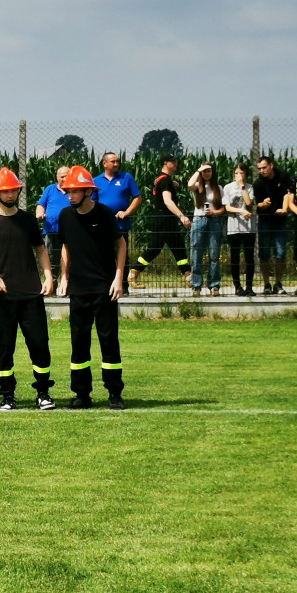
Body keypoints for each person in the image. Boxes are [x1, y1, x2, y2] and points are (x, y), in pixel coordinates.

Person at [0, 167, 55, 412]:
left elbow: (40, 250)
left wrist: (49, 276)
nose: (10, 194)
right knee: (3, 346)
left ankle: (43, 393)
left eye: (13, 190)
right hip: (3, 297)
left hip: (31, 293)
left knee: (39, 344)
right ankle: (7, 395)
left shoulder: (28, 219)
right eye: (5, 191)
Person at [56, 166, 126, 411]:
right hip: (78, 290)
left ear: (87, 191)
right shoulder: (65, 216)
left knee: (108, 340)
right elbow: (64, 247)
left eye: (74, 191)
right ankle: (81, 394)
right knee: (79, 342)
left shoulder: (105, 214)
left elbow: (122, 244)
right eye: (67, 192)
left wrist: (118, 279)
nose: (69, 195)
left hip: (104, 289)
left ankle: (115, 394)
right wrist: (63, 277)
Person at [128, 155, 191, 291]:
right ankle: (133, 273)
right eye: (173, 162)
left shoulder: (162, 180)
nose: (176, 164)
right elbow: (167, 201)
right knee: (156, 250)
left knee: (178, 249)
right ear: (165, 163)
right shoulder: (165, 181)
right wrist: (182, 216)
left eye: (176, 161)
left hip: (165, 221)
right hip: (165, 222)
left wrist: (172, 184)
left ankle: (190, 278)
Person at [92, 153, 141, 294]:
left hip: (121, 224)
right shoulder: (96, 181)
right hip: (103, 226)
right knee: (104, 256)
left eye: (117, 161)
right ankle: (106, 284)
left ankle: (124, 287)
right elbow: (93, 202)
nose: (116, 164)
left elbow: (137, 197)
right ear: (104, 163)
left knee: (122, 255)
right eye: (112, 161)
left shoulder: (126, 177)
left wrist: (127, 212)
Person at [253, 156, 291, 295]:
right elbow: (258, 206)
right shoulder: (258, 183)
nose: (261, 171)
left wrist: (284, 209)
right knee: (264, 254)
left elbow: (288, 195)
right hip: (265, 222)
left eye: (264, 167)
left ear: (271, 166)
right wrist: (263, 205)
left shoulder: (282, 176)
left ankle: (278, 284)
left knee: (280, 254)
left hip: (280, 221)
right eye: (259, 169)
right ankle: (267, 284)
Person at [186, 162, 226, 296]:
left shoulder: (218, 188)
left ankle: (214, 285)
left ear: (213, 172)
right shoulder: (197, 187)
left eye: (209, 171)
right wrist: (198, 170)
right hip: (199, 220)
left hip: (214, 221)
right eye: (204, 171)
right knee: (196, 253)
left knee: (214, 255)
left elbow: (223, 208)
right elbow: (189, 184)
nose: (206, 173)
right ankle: (196, 285)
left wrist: (214, 213)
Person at [223, 163, 256, 296]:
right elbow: (227, 207)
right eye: (236, 173)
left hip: (248, 228)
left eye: (241, 173)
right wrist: (241, 211)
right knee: (234, 257)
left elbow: (248, 203)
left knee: (249, 258)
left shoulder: (249, 187)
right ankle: (237, 286)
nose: (238, 176)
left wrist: (242, 186)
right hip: (234, 227)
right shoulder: (228, 188)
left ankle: (249, 286)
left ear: (246, 174)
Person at [35, 166, 71, 281]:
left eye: (67, 176)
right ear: (57, 177)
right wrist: (40, 213)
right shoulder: (50, 189)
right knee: (51, 259)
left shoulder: (74, 190)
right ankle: (52, 284)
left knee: (68, 259)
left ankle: (67, 285)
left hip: (68, 232)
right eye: (62, 177)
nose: (64, 179)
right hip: (51, 230)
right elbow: (41, 205)